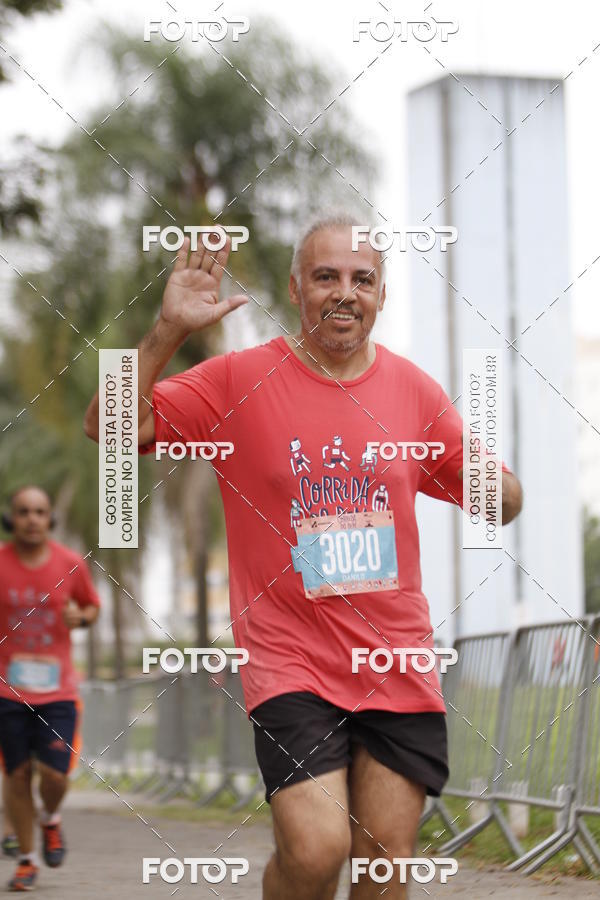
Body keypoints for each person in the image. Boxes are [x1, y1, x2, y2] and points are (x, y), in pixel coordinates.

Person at [85, 212, 523, 899]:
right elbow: (106, 426)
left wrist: (497, 485)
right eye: (327, 276)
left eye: (362, 279)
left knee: (385, 859)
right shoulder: (239, 380)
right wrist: (169, 329)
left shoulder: (415, 393)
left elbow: (502, 501)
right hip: (290, 661)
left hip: (394, 659)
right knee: (318, 850)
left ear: (381, 296)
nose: (345, 292)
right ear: (297, 288)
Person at [0, 486, 100, 891]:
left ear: (49, 519)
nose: (32, 519)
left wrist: (82, 617)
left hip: (58, 691)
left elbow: (92, 606)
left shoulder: (70, 563)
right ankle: (26, 860)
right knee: (17, 773)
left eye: (39, 511)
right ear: (12, 518)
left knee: (54, 777)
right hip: (8, 691)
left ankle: (51, 819)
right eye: (24, 512)